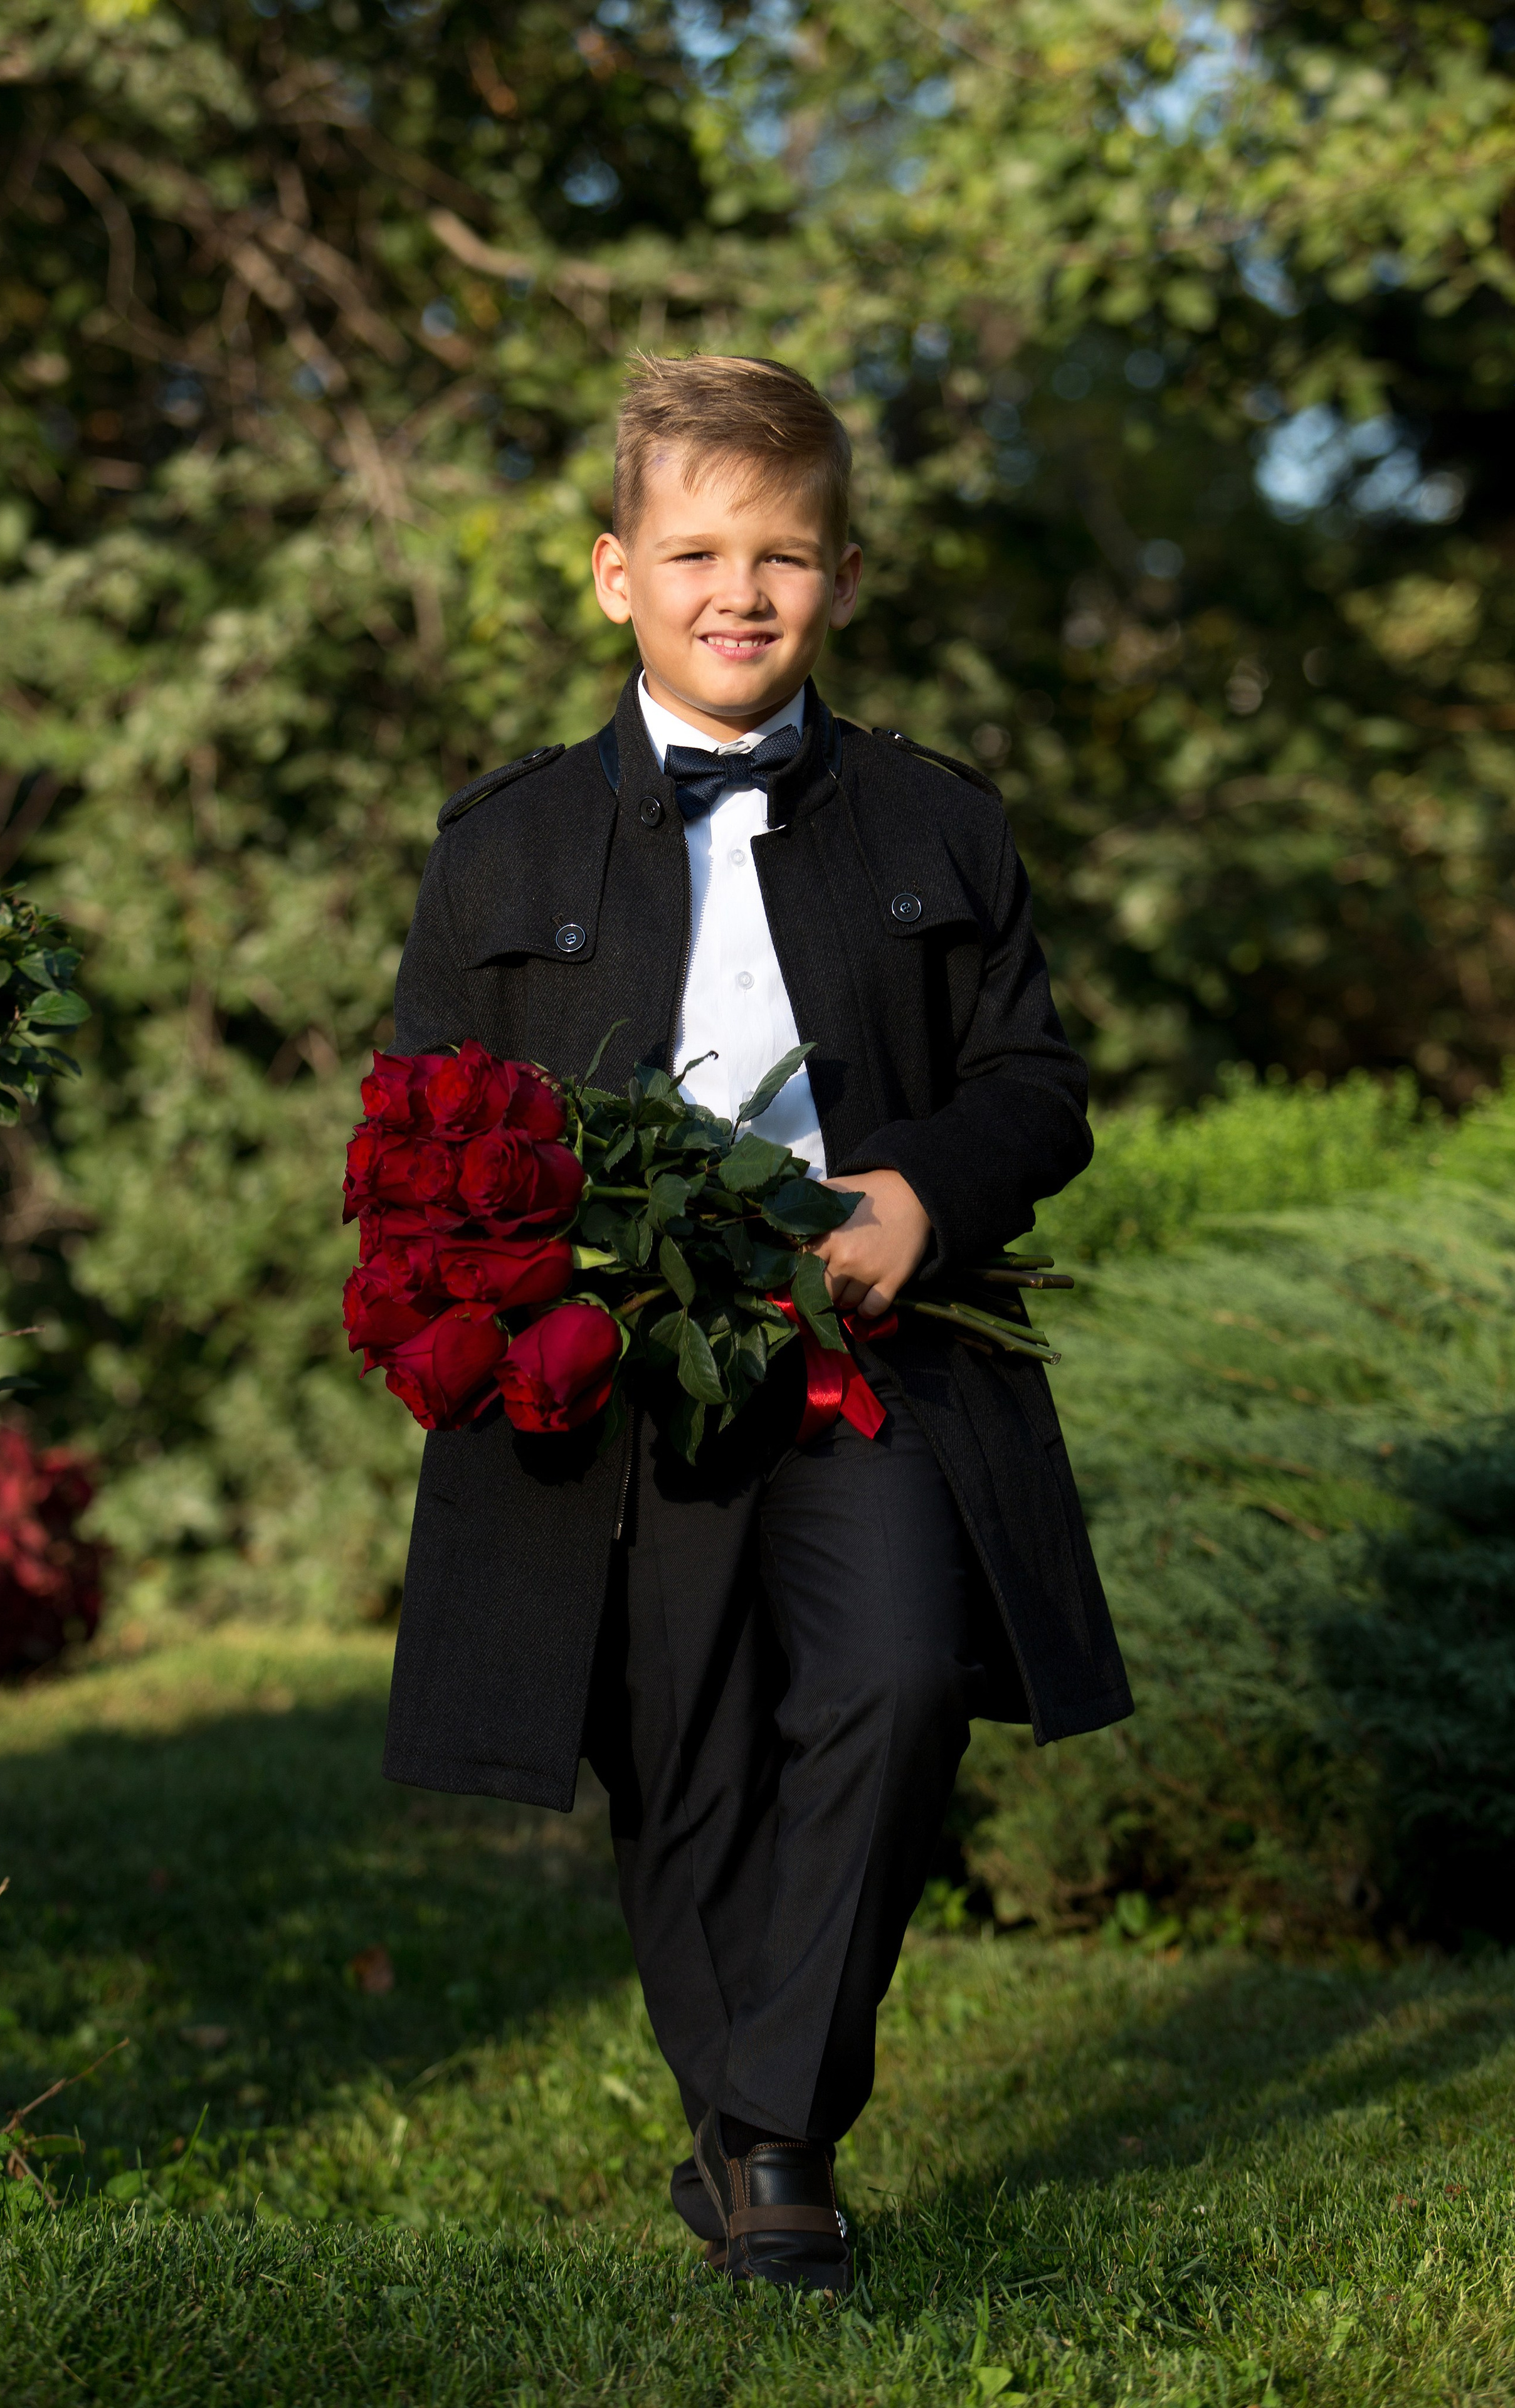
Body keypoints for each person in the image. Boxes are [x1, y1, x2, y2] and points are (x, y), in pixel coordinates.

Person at [383, 353, 1131, 2294]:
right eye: (699, 551)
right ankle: (760, 2150)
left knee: (891, 1687)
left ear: (847, 578)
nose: (742, 591)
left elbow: (1038, 1086)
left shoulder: (939, 828)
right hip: (606, 1383)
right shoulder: (503, 850)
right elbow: (417, 1125)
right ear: (613, 572)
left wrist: (922, 1193)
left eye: (784, 557)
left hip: (863, 1353)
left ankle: (773, 2119)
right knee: (678, 1753)